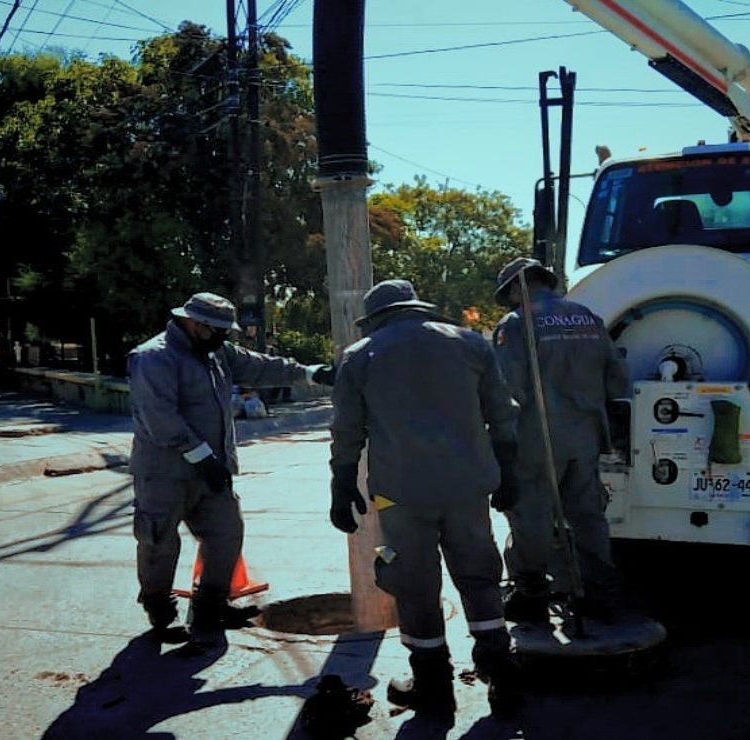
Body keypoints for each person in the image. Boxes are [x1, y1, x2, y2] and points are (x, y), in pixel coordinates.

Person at [328, 279, 521, 718]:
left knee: (413, 584)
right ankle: (501, 672)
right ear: (420, 308)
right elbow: (503, 415)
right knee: (478, 576)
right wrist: (508, 472)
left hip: (400, 495)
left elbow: (347, 431)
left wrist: (342, 484)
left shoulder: (361, 356)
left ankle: (434, 686)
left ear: (375, 319)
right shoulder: (471, 344)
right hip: (467, 489)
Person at [128, 292, 334, 643]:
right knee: (158, 540)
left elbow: (262, 366)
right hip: (164, 471)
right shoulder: (153, 358)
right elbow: (160, 419)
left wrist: (312, 373)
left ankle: (210, 607)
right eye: (218, 331)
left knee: (226, 533)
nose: (225, 338)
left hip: (211, 470)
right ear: (194, 324)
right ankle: (158, 608)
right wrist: (202, 457)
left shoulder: (217, 353)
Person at [491, 258, 629, 624]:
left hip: (537, 438)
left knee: (531, 516)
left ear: (517, 288)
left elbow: (509, 390)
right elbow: (616, 375)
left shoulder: (517, 324)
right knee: (588, 516)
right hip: (585, 435)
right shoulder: (587, 317)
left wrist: (499, 444)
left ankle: (531, 592)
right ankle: (602, 593)